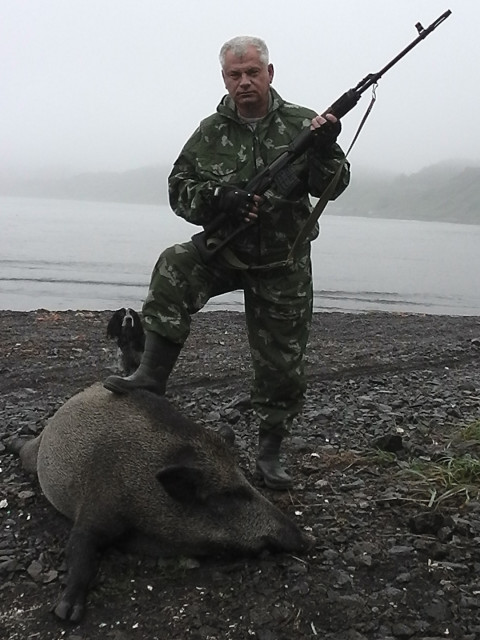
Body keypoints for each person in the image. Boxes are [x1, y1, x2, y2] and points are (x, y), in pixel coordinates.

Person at [104, 35, 350, 490]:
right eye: (235, 75)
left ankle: (271, 452)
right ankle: (150, 376)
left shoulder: (304, 123)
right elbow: (179, 188)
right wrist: (219, 198)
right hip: (226, 251)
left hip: (283, 262)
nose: (245, 82)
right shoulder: (210, 131)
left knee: (282, 365)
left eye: (253, 72)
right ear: (224, 79)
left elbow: (332, 187)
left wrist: (325, 148)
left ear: (270, 74)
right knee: (175, 264)